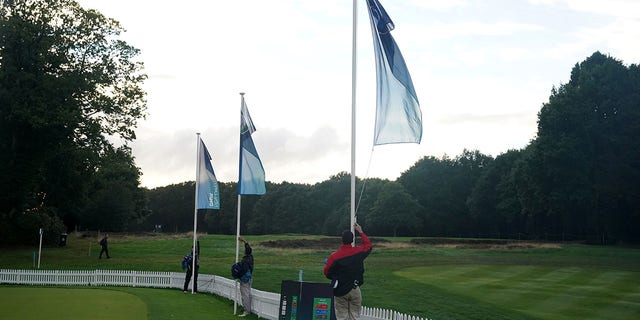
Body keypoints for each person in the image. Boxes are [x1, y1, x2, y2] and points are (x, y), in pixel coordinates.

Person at [323, 223, 372, 320]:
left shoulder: (334, 256)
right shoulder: (358, 252)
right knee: (354, 316)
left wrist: (334, 277)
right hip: (355, 288)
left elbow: (327, 272)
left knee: (342, 317)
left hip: (340, 290)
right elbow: (368, 247)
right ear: (352, 240)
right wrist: (361, 232)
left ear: (342, 240)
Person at [238, 236, 254, 317]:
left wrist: (237, 274)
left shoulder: (245, 260)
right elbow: (248, 247)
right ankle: (248, 310)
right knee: (248, 294)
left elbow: (243, 271)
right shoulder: (251, 257)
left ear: (245, 252)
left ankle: (246, 311)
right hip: (250, 278)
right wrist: (244, 241)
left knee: (245, 295)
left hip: (245, 279)